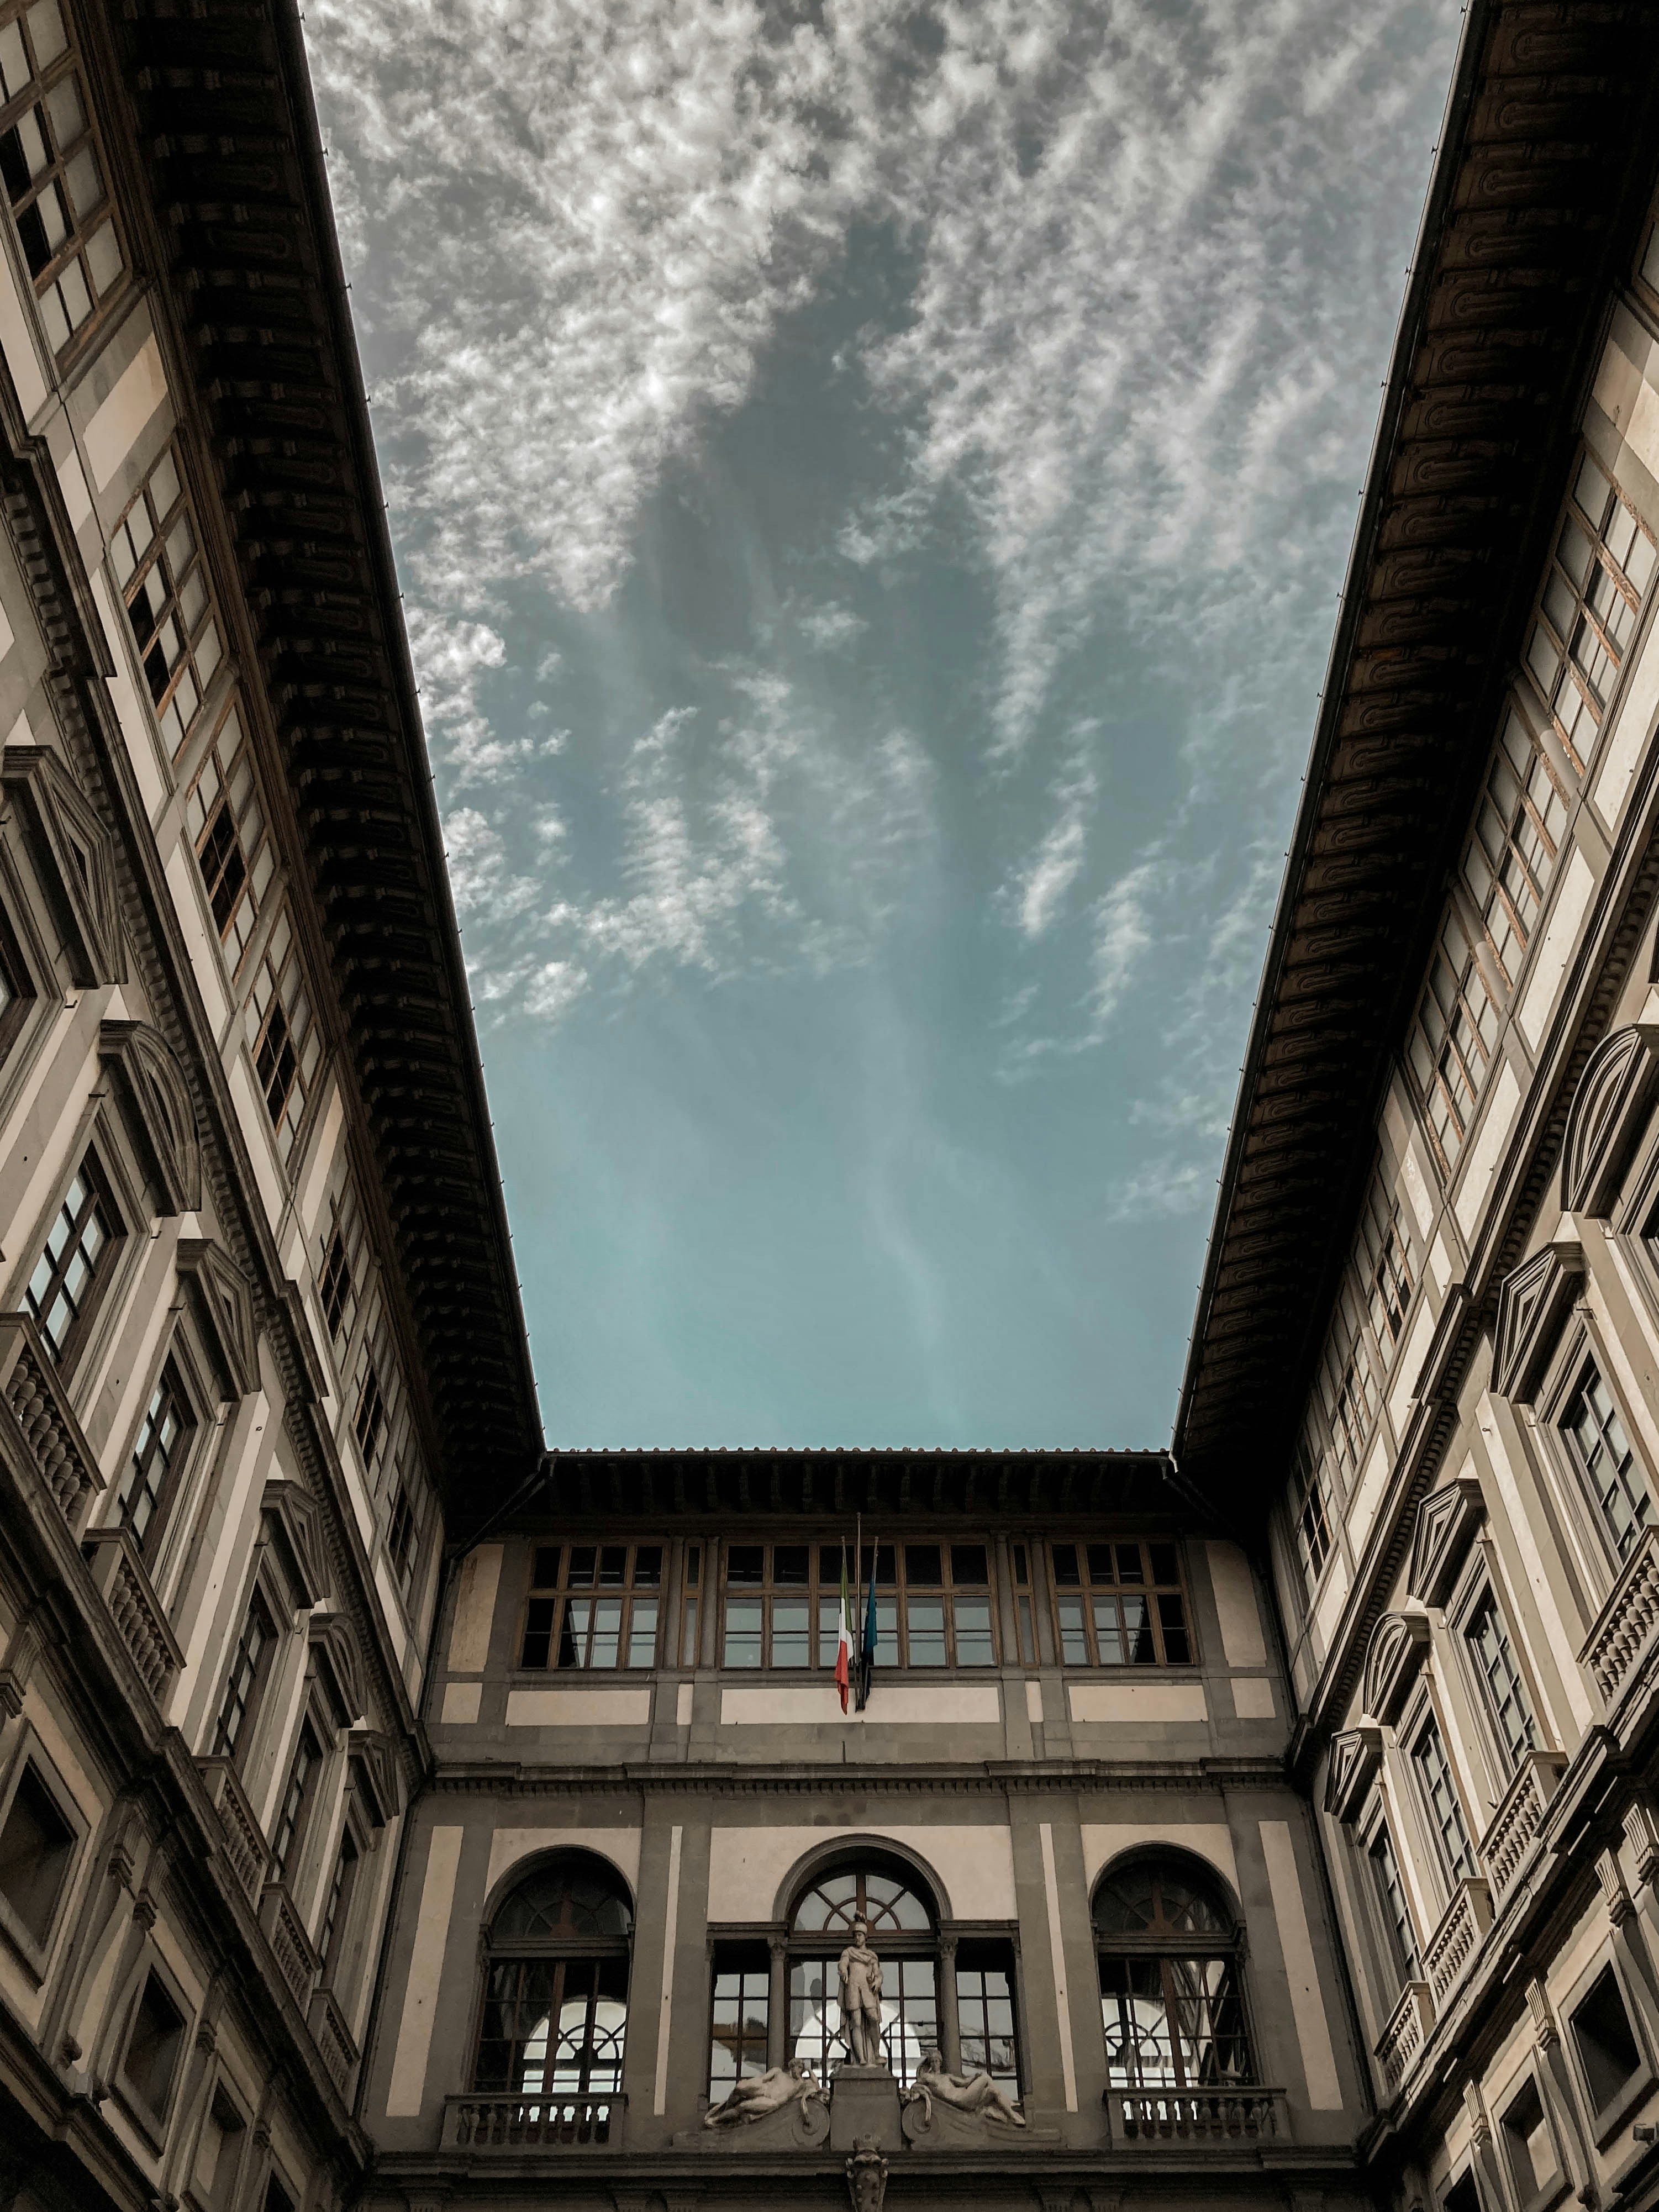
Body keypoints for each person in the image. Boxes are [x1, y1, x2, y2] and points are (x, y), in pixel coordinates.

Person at [904, 2045, 1027, 2127]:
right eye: (932, 2061)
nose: (935, 2063)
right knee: (985, 2077)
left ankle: (1014, 2117)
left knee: (992, 2090)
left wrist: (974, 2077)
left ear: (941, 2063)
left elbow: (964, 2083)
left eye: (937, 2061)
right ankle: (1010, 2104)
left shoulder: (947, 2076)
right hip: (961, 2100)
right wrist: (923, 2090)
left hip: (966, 2095)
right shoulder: (928, 2077)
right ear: (930, 2063)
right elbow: (915, 2085)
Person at [703, 2057, 827, 2127]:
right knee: (739, 2088)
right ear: (792, 2066)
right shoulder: (778, 2072)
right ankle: (724, 2109)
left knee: (743, 2107)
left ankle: (717, 2120)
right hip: (765, 2088)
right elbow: (762, 2079)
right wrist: (752, 2087)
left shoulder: (799, 2084)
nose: (800, 2071)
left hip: (773, 2102)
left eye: (802, 2069)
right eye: (799, 2067)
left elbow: (816, 2086)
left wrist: (810, 2070)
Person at [837, 1916, 885, 2067]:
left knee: (873, 2018)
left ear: (865, 1937)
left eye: (860, 1935)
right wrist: (844, 1971)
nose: (857, 1938)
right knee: (856, 2022)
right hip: (853, 1987)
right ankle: (861, 2058)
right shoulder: (849, 1952)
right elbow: (843, 1964)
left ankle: (876, 2053)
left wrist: (878, 1980)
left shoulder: (871, 1955)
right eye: (856, 1935)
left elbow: (878, 1973)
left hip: (867, 1989)